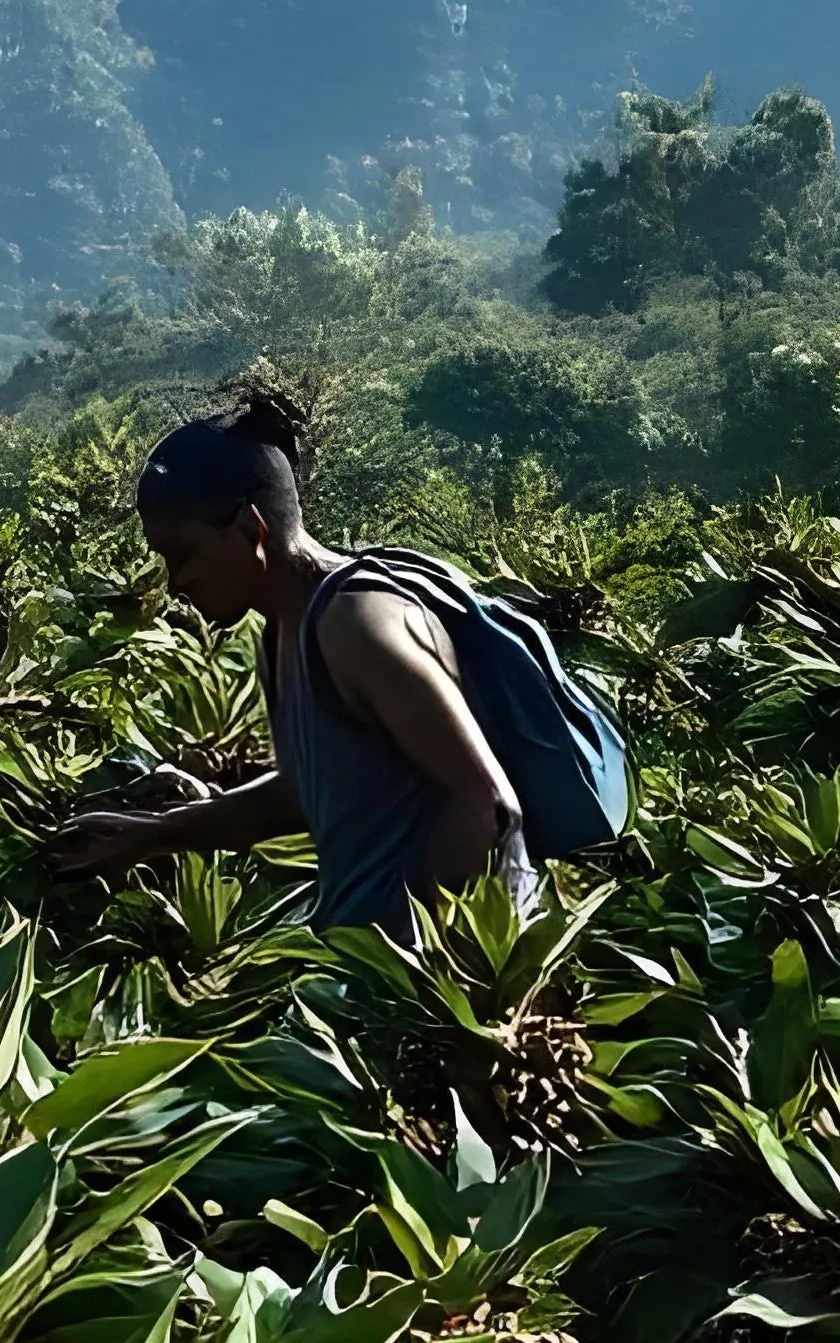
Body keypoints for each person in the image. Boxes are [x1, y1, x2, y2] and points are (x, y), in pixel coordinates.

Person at [42, 387, 540, 933]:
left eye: (184, 555)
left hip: (436, 987)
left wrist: (435, 972)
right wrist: (147, 834)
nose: (176, 581)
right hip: (363, 974)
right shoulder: (281, 632)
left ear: (251, 530)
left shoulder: (359, 621)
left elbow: (486, 805)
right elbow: (309, 790)